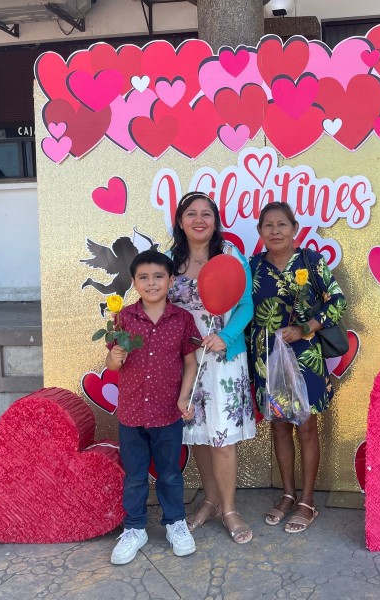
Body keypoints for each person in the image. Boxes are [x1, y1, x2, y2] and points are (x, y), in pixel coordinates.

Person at [248, 202, 347, 533]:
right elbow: (242, 311)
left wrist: (308, 327)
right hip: (267, 359)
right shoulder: (252, 268)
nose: (275, 231)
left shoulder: (311, 261)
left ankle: (307, 501)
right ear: (260, 231)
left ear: (294, 228)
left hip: (306, 358)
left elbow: (337, 300)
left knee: (305, 426)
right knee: (278, 425)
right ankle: (288, 494)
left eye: (282, 225)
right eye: (268, 226)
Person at [167, 191, 256, 544]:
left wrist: (227, 336)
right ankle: (209, 500)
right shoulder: (170, 261)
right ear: (180, 220)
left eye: (206, 213)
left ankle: (230, 509)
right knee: (198, 436)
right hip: (187, 363)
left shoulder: (230, 256)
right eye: (191, 213)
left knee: (221, 439)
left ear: (215, 221)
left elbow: (247, 304)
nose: (199, 219)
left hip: (223, 361)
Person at [105, 249, 201, 565]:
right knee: (134, 476)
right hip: (132, 413)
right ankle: (135, 528)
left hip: (167, 413)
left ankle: (175, 523)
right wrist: (113, 359)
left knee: (170, 474)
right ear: (134, 282)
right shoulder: (123, 318)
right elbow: (112, 363)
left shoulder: (182, 320)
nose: (151, 283)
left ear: (170, 280)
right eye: (143, 277)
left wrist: (184, 397)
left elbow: (190, 362)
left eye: (158, 276)